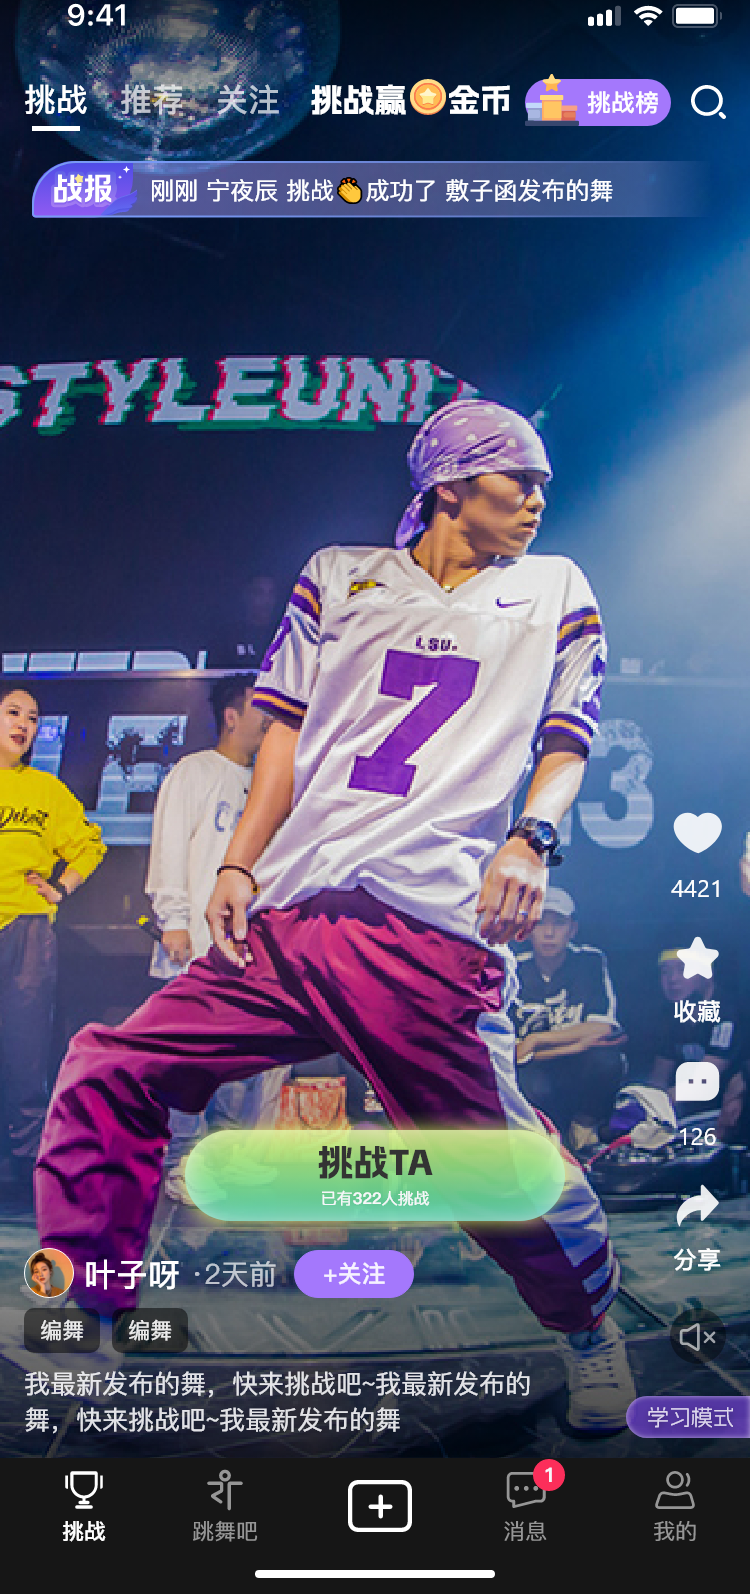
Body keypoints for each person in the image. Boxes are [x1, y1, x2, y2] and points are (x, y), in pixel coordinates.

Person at [36, 397, 634, 1432]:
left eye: (543, 482)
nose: (541, 499)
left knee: (493, 1164)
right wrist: (238, 862)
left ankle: (588, 1327)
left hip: (424, 931)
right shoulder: (339, 575)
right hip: (294, 916)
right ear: (450, 485)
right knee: (110, 1070)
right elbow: (281, 738)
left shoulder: (555, 588)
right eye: (520, 479)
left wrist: (531, 837)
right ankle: (91, 1314)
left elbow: (566, 738)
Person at [145, 674, 290, 1202]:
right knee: (193, 1057)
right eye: (259, 708)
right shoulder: (195, 771)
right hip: (198, 944)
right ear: (231, 715)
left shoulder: (272, 782)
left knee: (254, 1060)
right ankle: (183, 1162)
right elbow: (169, 845)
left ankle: (235, 1164)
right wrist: (173, 919)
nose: (269, 720)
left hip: (255, 948)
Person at [0, 684, 105, 1197]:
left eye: (33, 717)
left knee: (25, 1054)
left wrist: (62, 887)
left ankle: (24, 1170)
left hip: (27, 929)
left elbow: (90, 845)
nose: (24, 724)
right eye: (13, 713)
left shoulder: (45, 790)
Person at [513, 888, 627, 1150]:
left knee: (608, 1061)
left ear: (572, 929)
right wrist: (579, 1042)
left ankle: (585, 1129)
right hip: (536, 1072)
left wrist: (536, 1039)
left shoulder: (589, 961)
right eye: (541, 923)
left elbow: (603, 1028)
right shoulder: (514, 967)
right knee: (531, 1084)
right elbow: (515, 1054)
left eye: (559, 923)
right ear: (528, 928)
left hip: (576, 1067)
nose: (549, 933)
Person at [647, 948, 737, 1108]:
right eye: (665, 972)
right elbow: (659, 1077)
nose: (672, 979)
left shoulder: (728, 1012)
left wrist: (654, 1103)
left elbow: (705, 1078)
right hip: (684, 1108)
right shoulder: (670, 1015)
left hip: (726, 1108)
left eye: (683, 969)